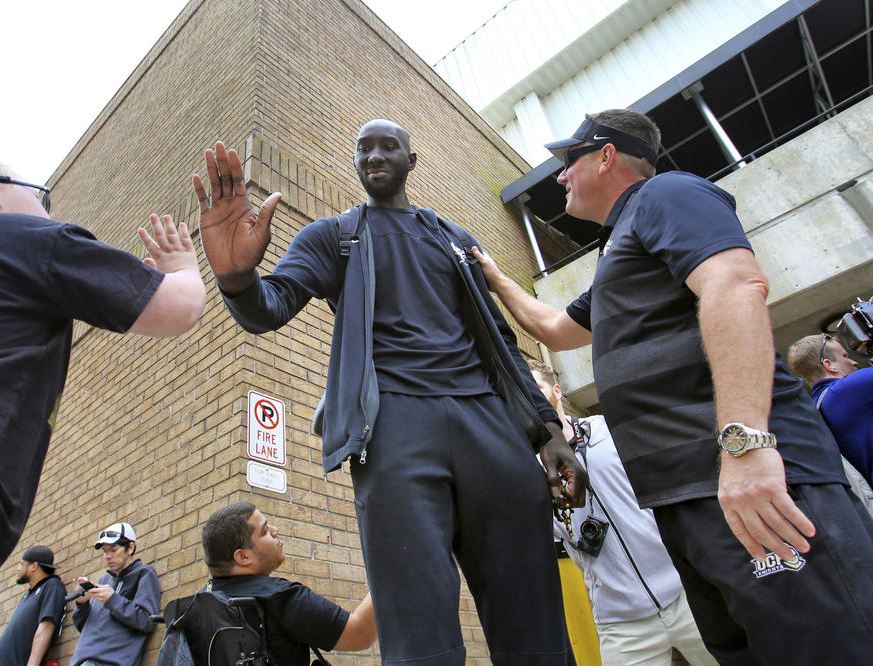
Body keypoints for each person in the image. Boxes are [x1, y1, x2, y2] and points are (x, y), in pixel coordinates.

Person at [471, 109, 873, 664]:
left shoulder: (666, 195)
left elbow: (734, 284)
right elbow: (554, 330)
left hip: (747, 480)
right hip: (686, 502)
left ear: (606, 155)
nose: (560, 177)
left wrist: (746, 446)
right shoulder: (617, 255)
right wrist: (491, 276)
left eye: (568, 162)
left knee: (826, 648)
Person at [195, 120, 585, 665]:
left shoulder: (454, 239)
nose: (374, 156)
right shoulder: (333, 236)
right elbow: (271, 307)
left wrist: (547, 431)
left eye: (388, 147)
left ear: (410, 160)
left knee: (536, 625)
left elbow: (499, 342)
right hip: (395, 432)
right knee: (417, 629)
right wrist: (237, 279)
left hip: (488, 426)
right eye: (363, 148)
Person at [0, 150, 206, 665]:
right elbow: (178, 308)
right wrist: (182, 266)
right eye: (42, 196)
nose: (49, 210)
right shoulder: (23, 237)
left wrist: (115, 283)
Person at [529, 361, 715, 666]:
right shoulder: (529, 470)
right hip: (619, 622)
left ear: (557, 390)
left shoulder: (608, 429)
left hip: (688, 593)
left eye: (538, 390)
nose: (534, 401)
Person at [197, 502, 376, 665]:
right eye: (265, 531)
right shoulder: (280, 596)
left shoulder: (198, 605)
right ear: (243, 556)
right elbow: (360, 634)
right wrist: (390, 569)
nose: (275, 531)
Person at [70, 522, 160, 666]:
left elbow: (147, 621)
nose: (107, 556)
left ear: (130, 548)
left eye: (113, 549)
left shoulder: (144, 573)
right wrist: (82, 603)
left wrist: (112, 599)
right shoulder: (104, 581)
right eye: (105, 551)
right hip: (82, 661)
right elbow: (85, 628)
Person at [788, 333, 872, 484]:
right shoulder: (848, 389)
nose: (854, 362)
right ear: (829, 364)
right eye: (845, 356)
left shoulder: (817, 413)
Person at [0, 546, 68, 666]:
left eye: (21, 564)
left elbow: (46, 626)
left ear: (34, 566)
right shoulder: (28, 594)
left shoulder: (52, 586)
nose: (18, 569)